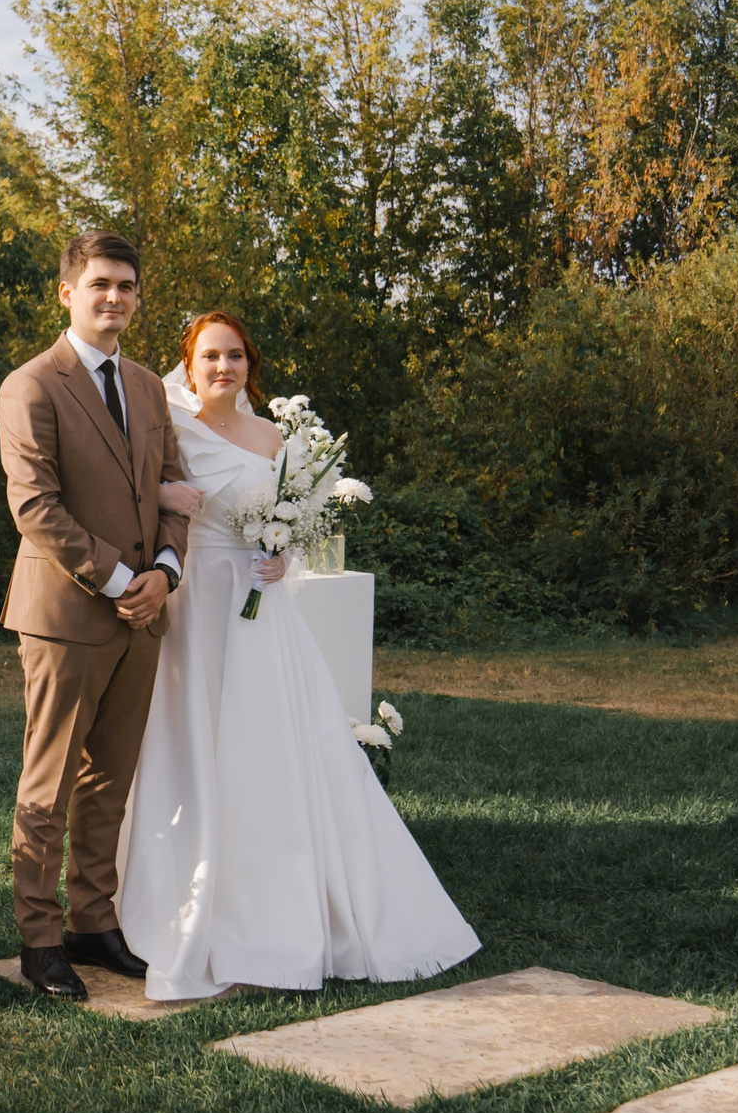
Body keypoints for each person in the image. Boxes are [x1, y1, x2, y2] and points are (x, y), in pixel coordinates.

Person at [115, 310, 479, 1002]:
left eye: (235, 356)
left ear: (249, 366)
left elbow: (290, 521)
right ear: (189, 365)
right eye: (210, 356)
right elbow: (131, 492)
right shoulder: (171, 427)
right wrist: (164, 493)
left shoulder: (274, 437)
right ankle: (185, 898)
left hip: (260, 606)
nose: (223, 367)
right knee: (192, 738)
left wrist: (282, 554)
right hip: (196, 600)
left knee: (269, 744)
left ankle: (286, 906)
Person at [0, 230, 192, 999]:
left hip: (143, 614)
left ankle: (92, 920)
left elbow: (173, 487)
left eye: (127, 285)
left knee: (109, 779)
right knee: (49, 785)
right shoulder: (32, 385)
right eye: (101, 283)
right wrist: (119, 578)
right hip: (67, 614)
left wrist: (165, 573)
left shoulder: (147, 386)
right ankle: (40, 939)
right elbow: (35, 506)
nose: (115, 296)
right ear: (67, 292)